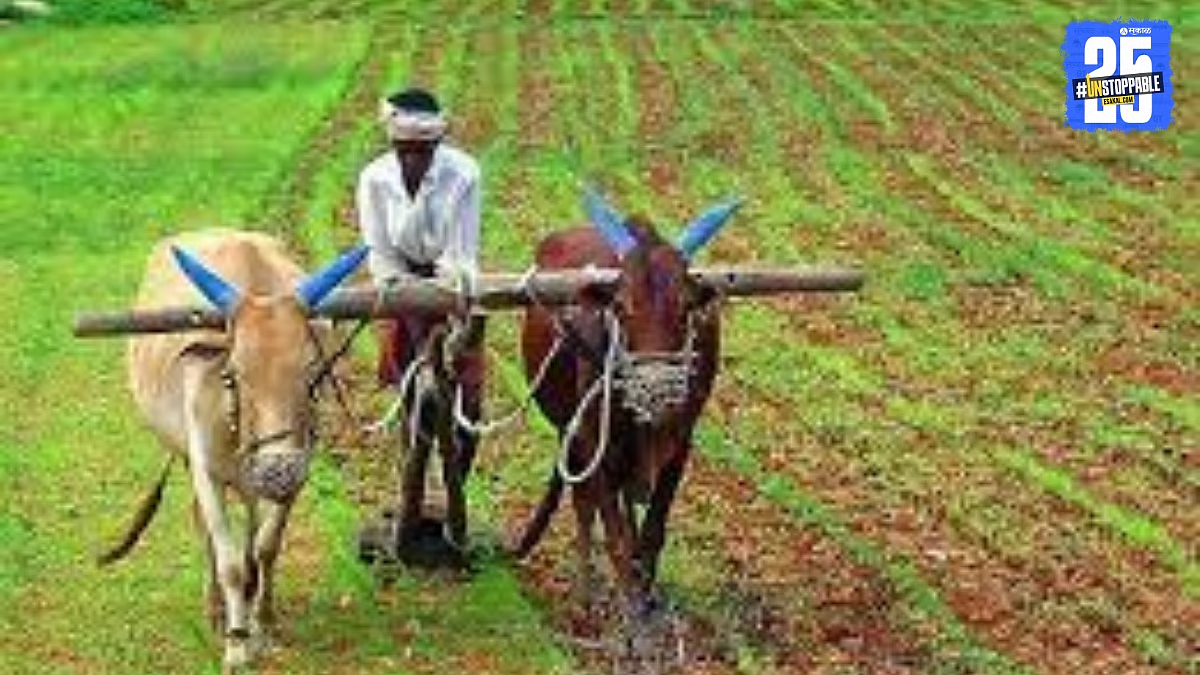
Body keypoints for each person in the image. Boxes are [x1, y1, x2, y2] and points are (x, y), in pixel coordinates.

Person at [355, 87, 486, 553]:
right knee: (411, 394)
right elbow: (381, 258)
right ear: (393, 146)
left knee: (467, 403)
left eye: (423, 151)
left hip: (453, 286)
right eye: (404, 150)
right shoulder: (374, 179)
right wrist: (407, 305)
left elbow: (461, 256)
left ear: (437, 145)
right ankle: (411, 488)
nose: (414, 160)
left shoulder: (464, 172)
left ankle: (454, 494)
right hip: (398, 287)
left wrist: (446, 314)